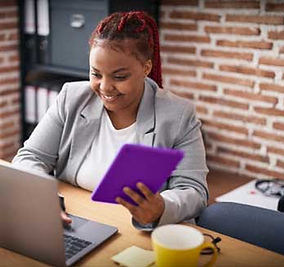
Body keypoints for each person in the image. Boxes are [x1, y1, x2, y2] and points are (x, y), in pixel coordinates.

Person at [11, 11, 208, 230]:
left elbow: (194, 191)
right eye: (96, 74)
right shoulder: (72, 98)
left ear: (146, 68)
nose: (105, 87)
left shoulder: (178, 115)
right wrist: (43, 199)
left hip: (140, 232)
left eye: (119, 77)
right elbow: (30, 157)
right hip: (75, 220)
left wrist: (162, 206)